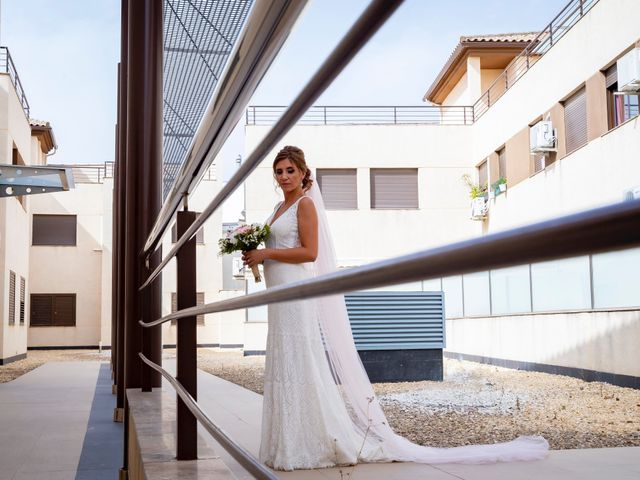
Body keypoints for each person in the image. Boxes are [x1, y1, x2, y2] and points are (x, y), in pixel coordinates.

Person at [242, 146, 548, 471]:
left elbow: (310, 252)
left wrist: (266, 255)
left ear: (303, 173)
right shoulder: (278, 206)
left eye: (291, 170)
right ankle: (285, 443)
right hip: (279, 295)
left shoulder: (305, 205)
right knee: (284, 361)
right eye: (279, 171)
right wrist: (257, 254)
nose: (285, 176)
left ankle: (309, 443)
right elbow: (277, 247)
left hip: (296, 293)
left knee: (301, 363)